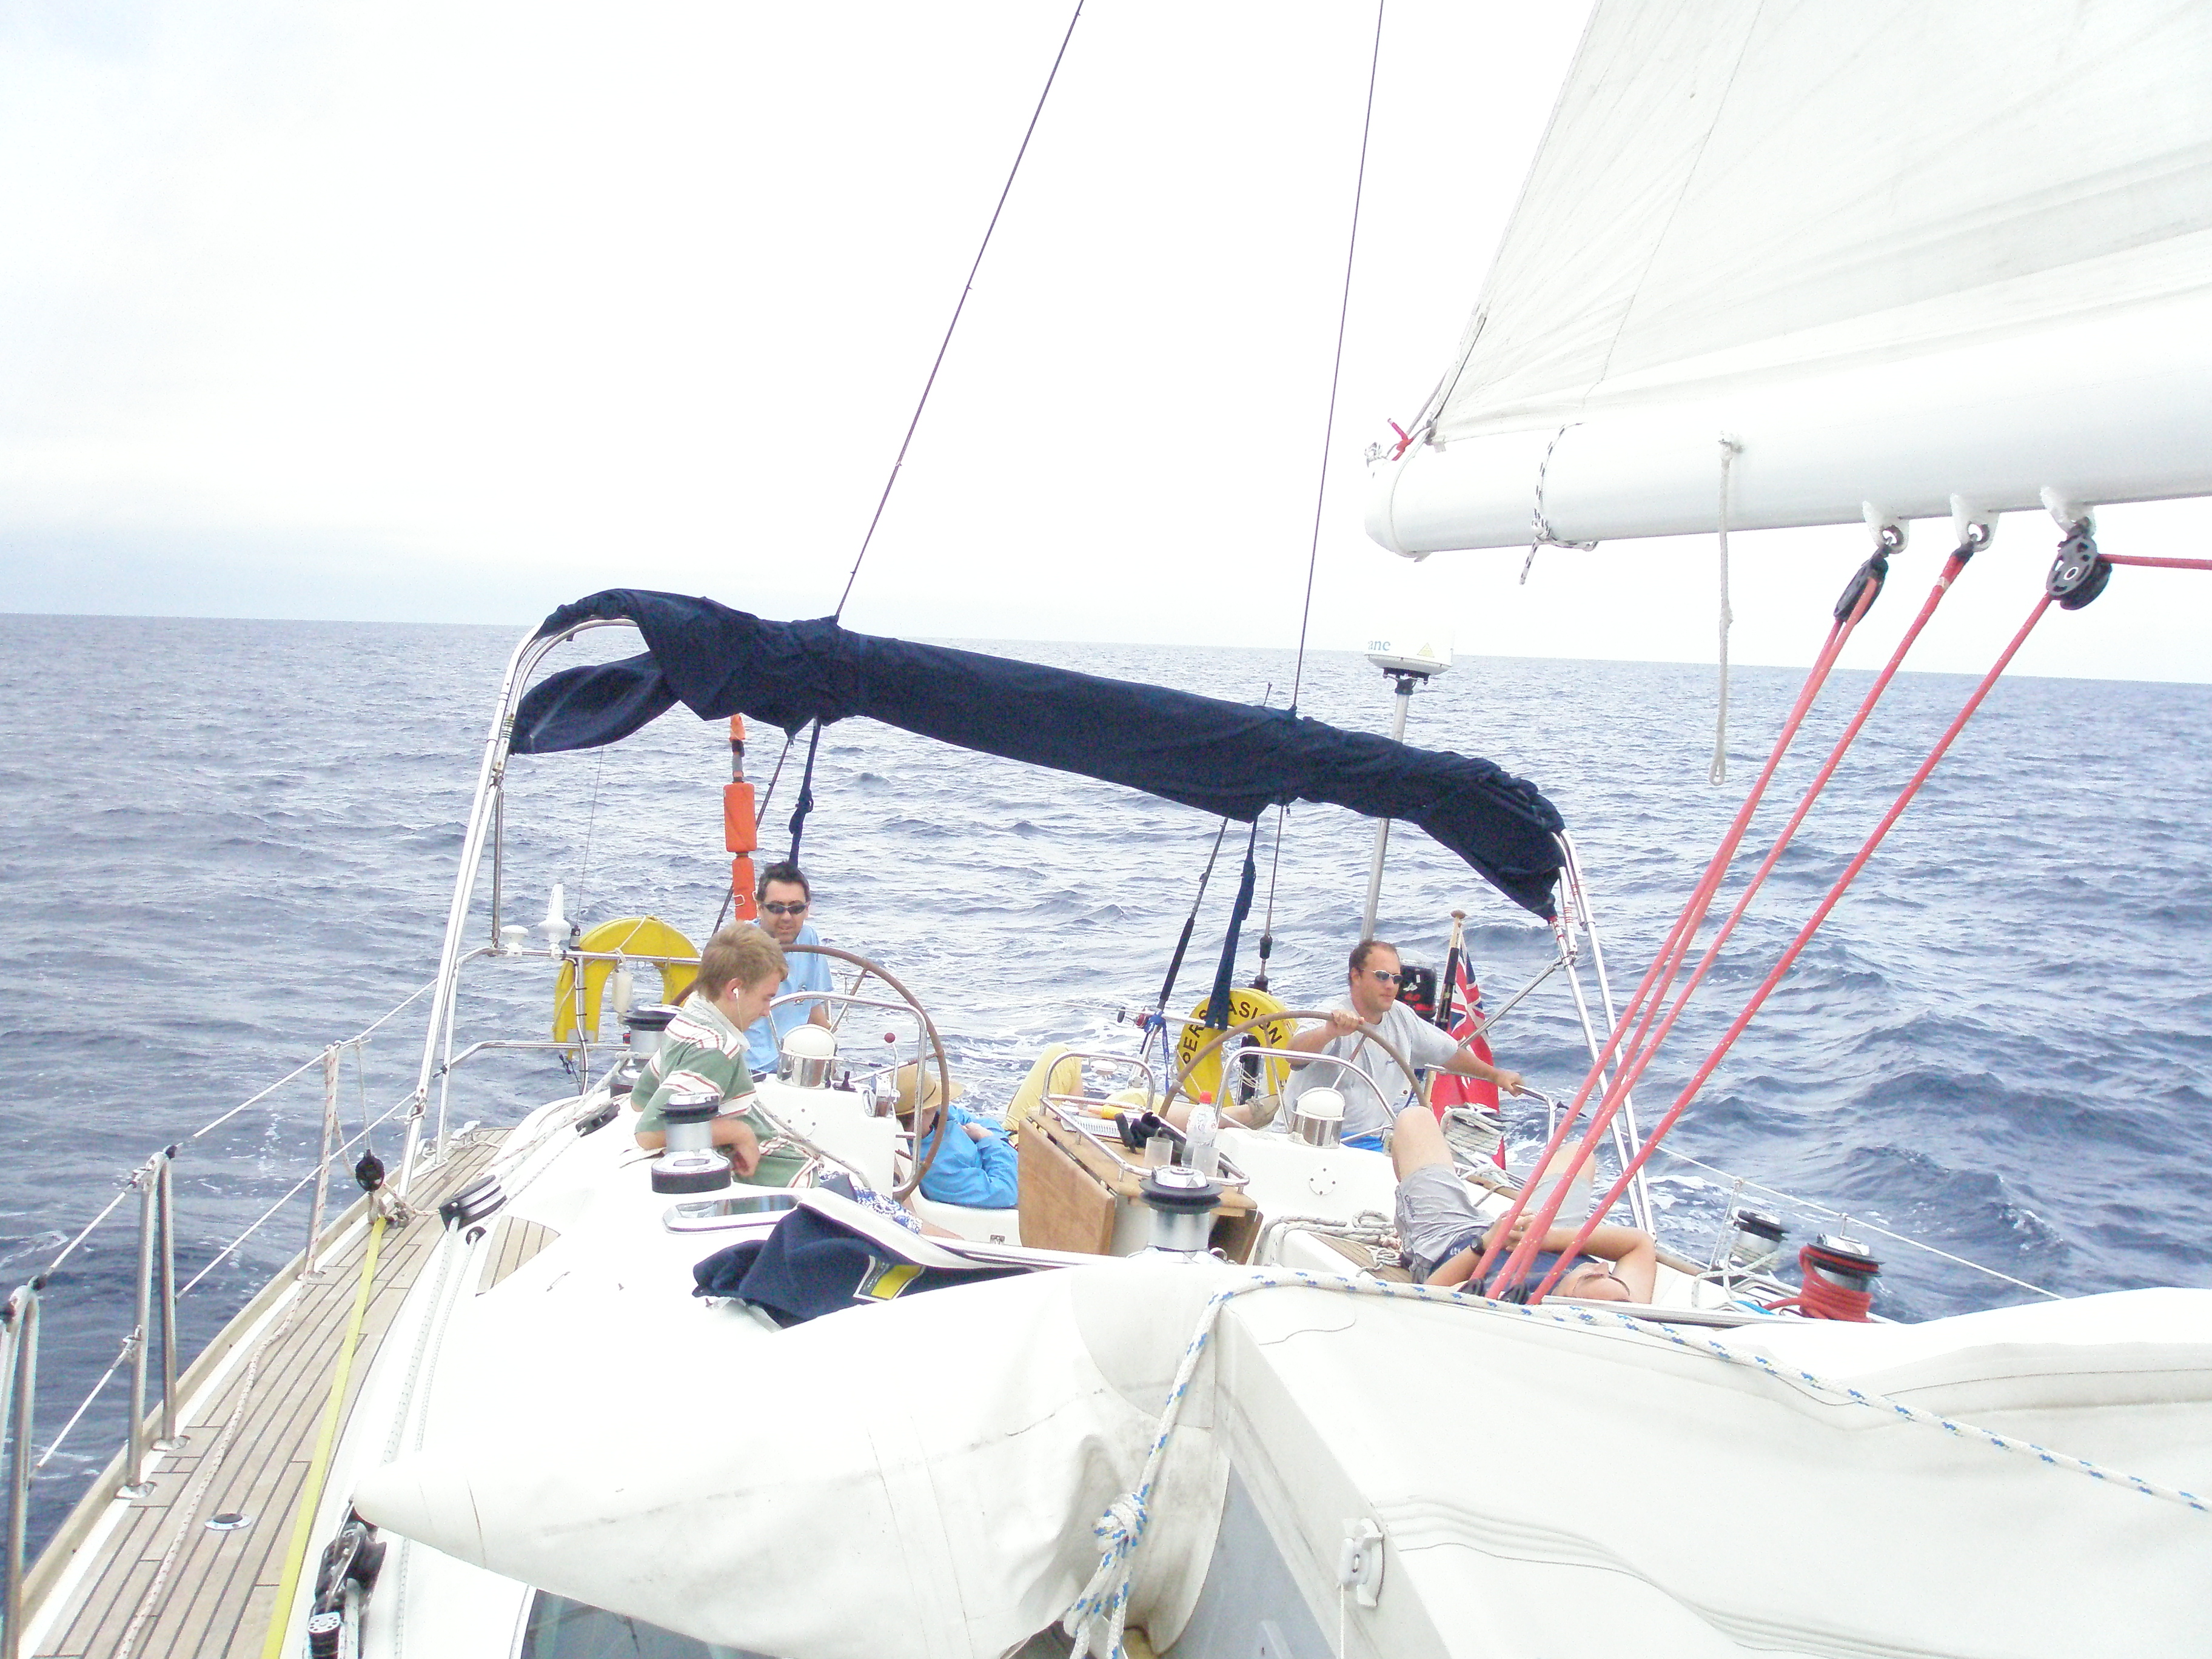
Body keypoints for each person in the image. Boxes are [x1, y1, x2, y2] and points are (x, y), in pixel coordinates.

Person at [1388, 1104, 1656, 1302]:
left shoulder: (1507, 1297)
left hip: (1454, 1241)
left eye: (1592, 1276)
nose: (1603, 1266)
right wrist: (1547, 1238)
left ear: (1566, 1297)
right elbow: (1640, 1244)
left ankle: (1410, 1231)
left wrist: (1485, 1245)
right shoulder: (1625, 1308)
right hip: (1540, 1238)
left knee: (1415, 1120)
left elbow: (1429, 1294)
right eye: (1612, 1276)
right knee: (1579, 1154)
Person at [1283, 939, 1527, 1143]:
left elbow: (1449, 1053)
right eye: (1382, 977)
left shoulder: (1402, 1018)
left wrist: (1495, 1076)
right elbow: (1293, 1056)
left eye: (1397, 979)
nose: (1391, 986)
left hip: (1368, 1142)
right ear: (1356, 976)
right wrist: (1329, 1032)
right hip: (1303, 1138)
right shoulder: (1331, 1013)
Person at [632, 923, 803, 1186]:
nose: (767, 1010)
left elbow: (641, 1099)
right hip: (780, 1178)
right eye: (766, 998)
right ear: (735, 989)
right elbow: (649, 1132)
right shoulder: (716, 1049)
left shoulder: (688, 1019)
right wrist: (740, 1133)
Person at [743, 860, 836, 1076]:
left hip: (796, 1067)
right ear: (759, 907)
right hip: (747, 1070)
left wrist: (832, 1067)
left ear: (807, 909)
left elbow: (815, 1012)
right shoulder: (739, 947)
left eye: (796, 908)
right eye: (776, 908)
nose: (786, 917)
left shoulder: (809, 939)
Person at [894, 1063, 1019, 1210]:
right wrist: (988, 1140)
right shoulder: (938, 1171)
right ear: (927, 1109)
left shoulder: (940, 1115)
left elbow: (983, 1122)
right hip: (1018, 1182)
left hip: (1009, 1154)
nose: (939, 1104)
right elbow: (1005, 1191)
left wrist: (994, 1139)